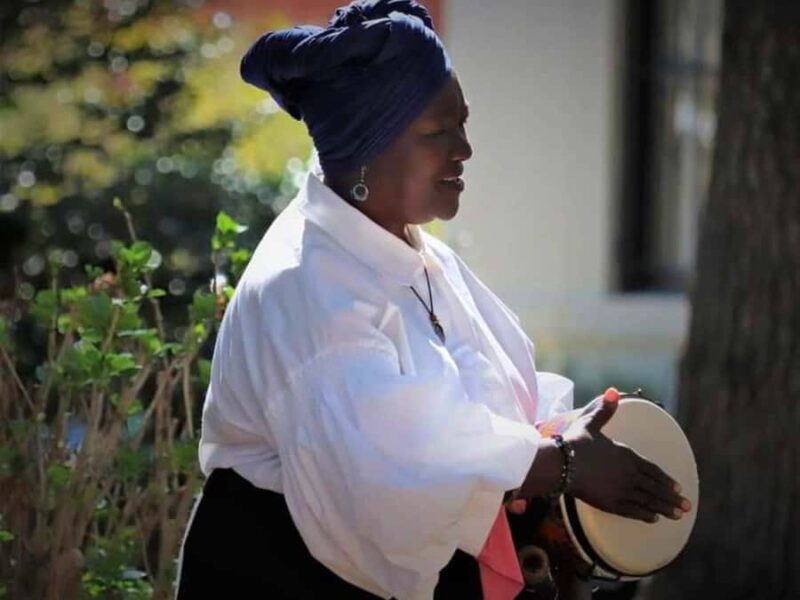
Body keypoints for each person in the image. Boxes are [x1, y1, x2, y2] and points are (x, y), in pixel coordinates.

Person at [174, 1, 691, 599]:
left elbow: (470, 399)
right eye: (437, 133)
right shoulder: (307, 287)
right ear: (367, 149)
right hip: (283, 575)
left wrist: (564, 431)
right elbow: (385, 479)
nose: (465, 148)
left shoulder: (414, 252)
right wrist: (559, 463)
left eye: (462, 124)